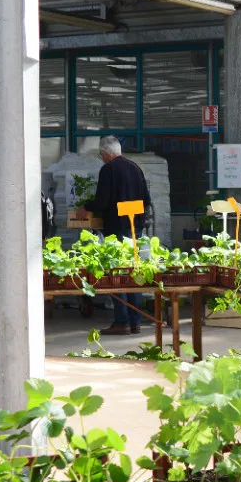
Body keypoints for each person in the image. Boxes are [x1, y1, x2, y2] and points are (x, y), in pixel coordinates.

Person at [77, 136, 153, 336]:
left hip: (117, 230)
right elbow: (146, 199)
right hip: (135, 230)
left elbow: (102, 201)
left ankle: (122, 322)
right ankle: (135, 321)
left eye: (101, 154)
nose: (101, 158)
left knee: (118, 276)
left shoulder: (108, 170)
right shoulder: (135, 168)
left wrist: (86, 207)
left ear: (105, 153)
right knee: (133, 274)